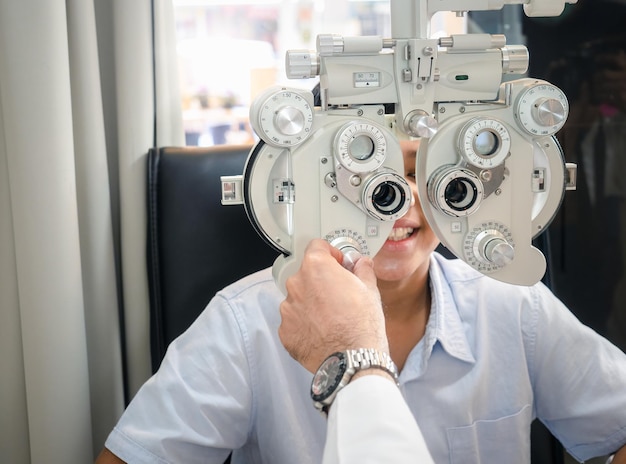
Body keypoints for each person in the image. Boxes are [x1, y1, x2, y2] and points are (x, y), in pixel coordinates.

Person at [97, 140, 626, 464]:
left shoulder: (514, 308)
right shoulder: (243, 326)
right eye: (364, 174)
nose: (396, 199)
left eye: (423, 172)